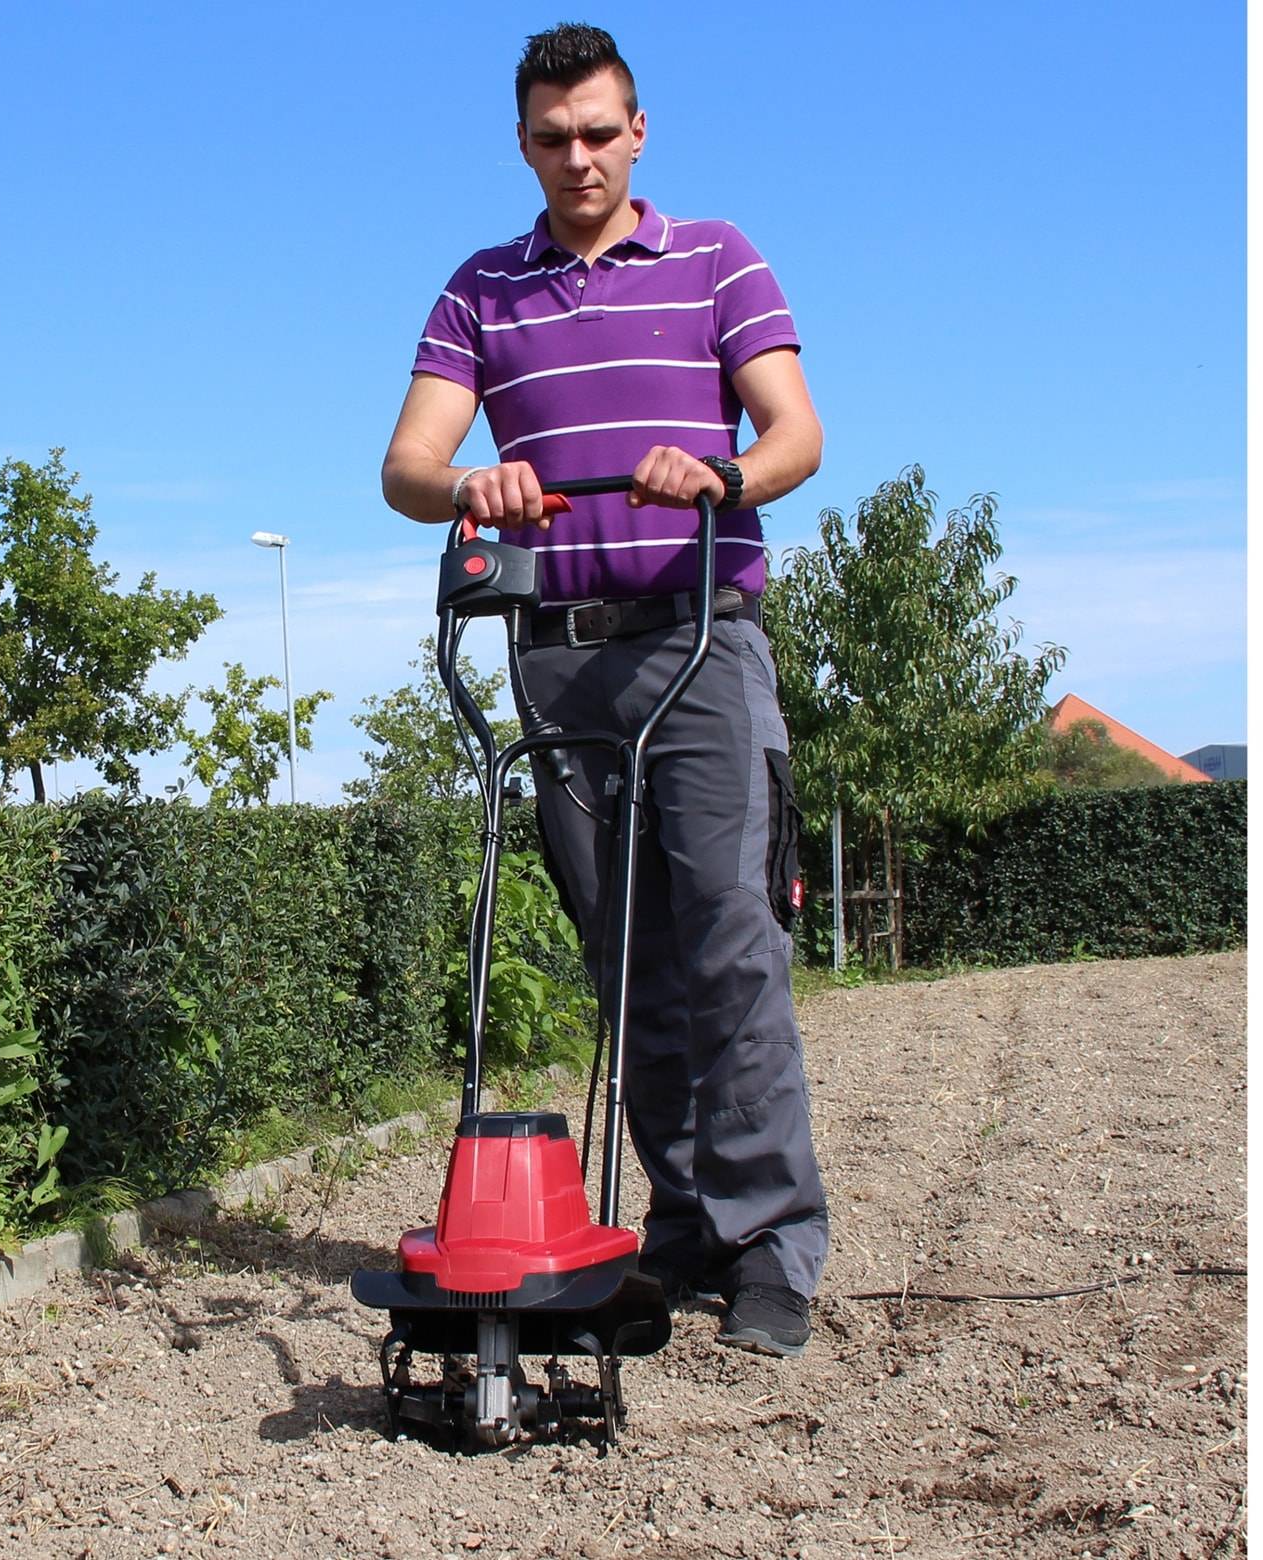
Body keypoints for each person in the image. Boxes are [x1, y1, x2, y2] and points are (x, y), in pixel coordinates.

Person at [382, 22, 827, 1357]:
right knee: (627, 958)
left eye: (597, 132)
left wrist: (722, 476)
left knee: (733, 944)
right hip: (558, 652)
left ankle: (769, 1246)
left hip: (697, 636)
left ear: (638, 134)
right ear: (523, 145)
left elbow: (796, 431)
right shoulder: (480, 288)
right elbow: (406, 465)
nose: (576, 156)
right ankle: (680, 1223)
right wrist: (474, 485)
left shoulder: (716, 258)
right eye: (550, 137)